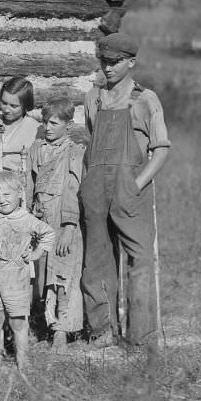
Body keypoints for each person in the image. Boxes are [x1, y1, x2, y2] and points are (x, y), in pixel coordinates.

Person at [81, 32, 171, 349]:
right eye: (103, 62)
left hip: (131, 189)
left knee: (141, 260)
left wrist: (135, 184)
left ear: (131, 62)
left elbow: (160, 150)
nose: (107, 68)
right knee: (97, 261)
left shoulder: (146, 99)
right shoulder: (92, 98)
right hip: (96, 190)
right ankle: (102, 330)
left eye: (114, 62)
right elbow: (93, 141)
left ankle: (141, 336)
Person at [0, 171, 56, 370]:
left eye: (7, 195)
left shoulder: (27, 219)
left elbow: (49, 234)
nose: (2, 201)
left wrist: (36, 253)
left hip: (15, 277)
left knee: (17, 321)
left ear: (20, 193)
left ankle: (23, 359)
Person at [28, 98, 85, 351]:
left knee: (63, 274)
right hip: (43, 220)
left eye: (54, 123)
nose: (48, 128)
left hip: (64, 219)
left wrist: (70, 227)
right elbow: (30, 184)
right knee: (43, 276)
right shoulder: (37, 149)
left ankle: (62, 330)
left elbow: (74, 190)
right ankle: (45, 325)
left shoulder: (74, 152)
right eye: (45, 122)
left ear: (68, 125)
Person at [0, 76, 40, 174]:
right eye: (4, 103)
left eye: (14, 106)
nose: (7, 110)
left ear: (25, 105)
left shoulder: (35, 129)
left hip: (19, 186)